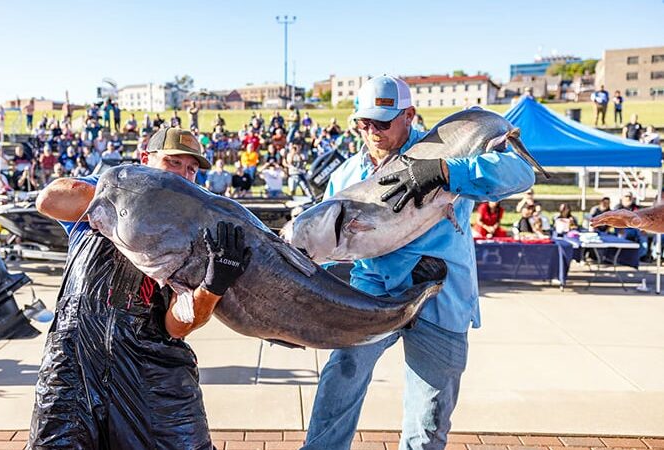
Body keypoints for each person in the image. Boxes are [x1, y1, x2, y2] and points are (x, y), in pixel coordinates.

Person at [302, 75, 534, 450]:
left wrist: (446, 172)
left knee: (429, 415)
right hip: (371, 288)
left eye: (382, 121)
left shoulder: (448, 149)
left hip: (440, 293)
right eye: (365, 122)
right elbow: (324, 250)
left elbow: (520, 174)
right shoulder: (345, 176)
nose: (372, 131)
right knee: (340, 376)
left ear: (409, 115)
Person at [29, 127, 249, 449]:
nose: (185, 176)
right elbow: (49, 200)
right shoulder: (105, 188)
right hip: (72, 370)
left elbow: (176, 326)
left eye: (191, 169)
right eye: (174, 163)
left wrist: (212, 286)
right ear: (146, 158)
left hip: (153, 376)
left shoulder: (195, 232)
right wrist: (136, 205)